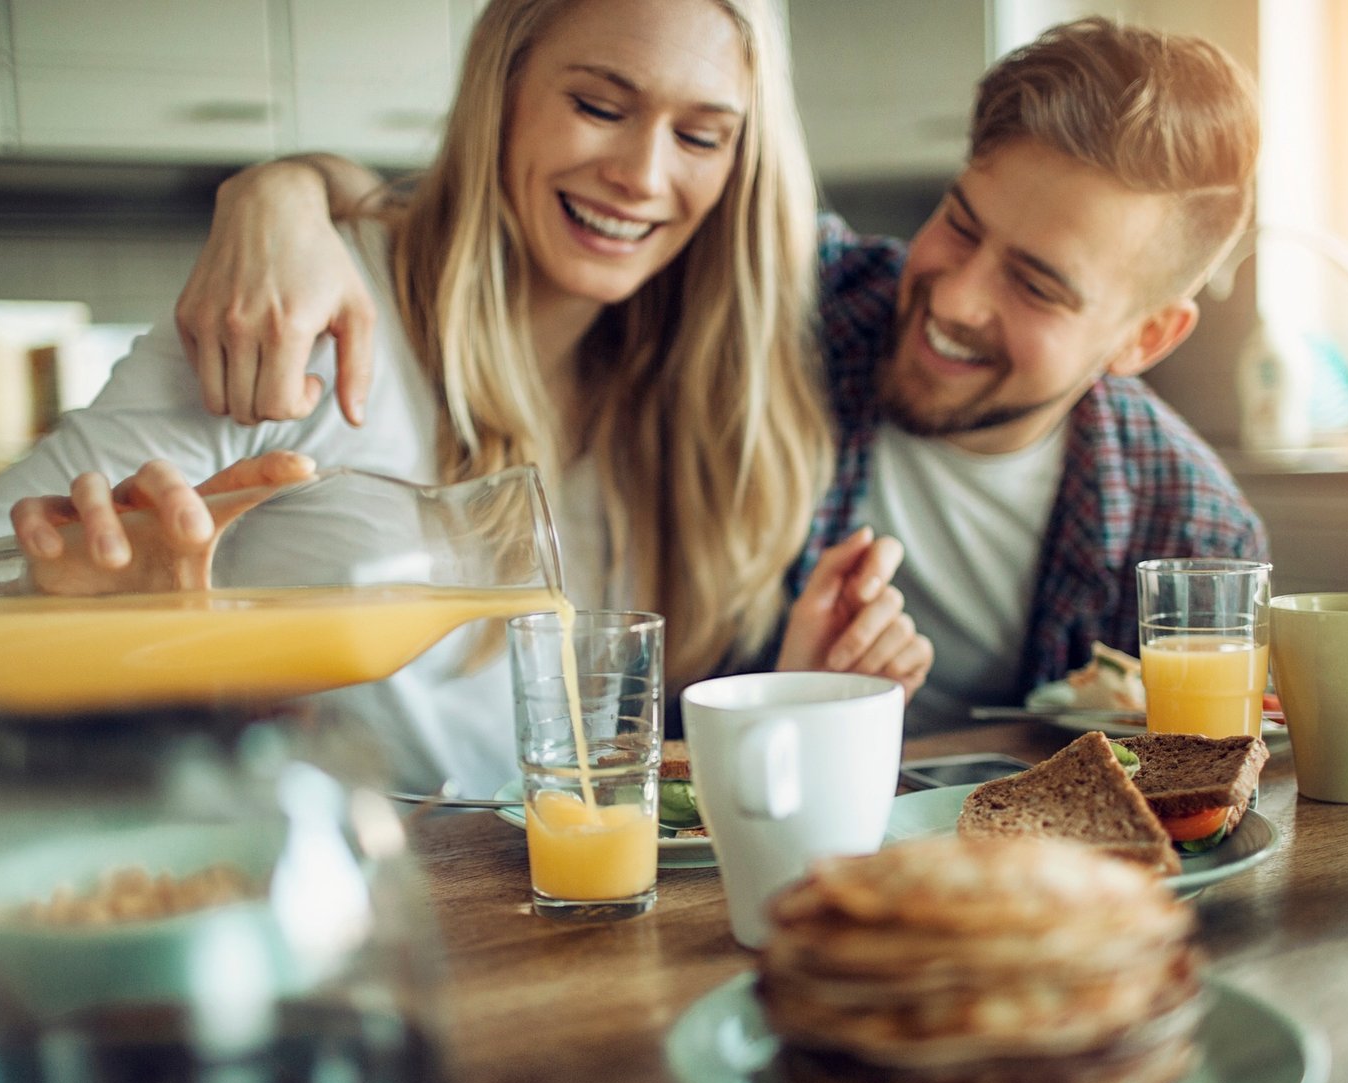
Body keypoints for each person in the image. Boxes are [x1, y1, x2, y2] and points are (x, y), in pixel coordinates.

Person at [0, 0, 931, 795]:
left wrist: (790, 688)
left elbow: (592, 781)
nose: (643, 174)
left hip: (550, 965)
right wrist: (54, 610)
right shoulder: (306, 324)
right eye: (598, 104)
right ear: (505, 95)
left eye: (700, 135)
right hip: (324, 935)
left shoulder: (696, 394)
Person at [174, 16, 1269, 733]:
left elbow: (1206, 805)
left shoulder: (1191, 537)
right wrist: (283, 189)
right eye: (959, 224)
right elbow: (523, 212)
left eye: (1037, 285)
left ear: (1144, 339)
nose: (954, 295)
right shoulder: (797, 305)